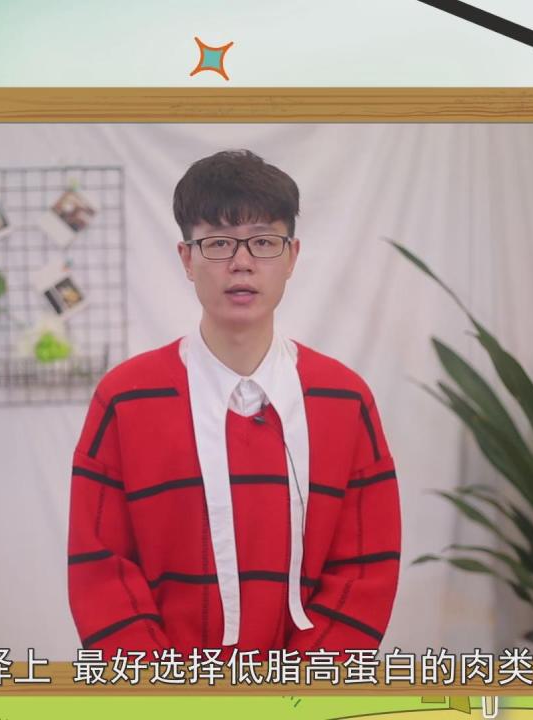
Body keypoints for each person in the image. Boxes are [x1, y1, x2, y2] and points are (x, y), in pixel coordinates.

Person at [66, 149, 401, 663]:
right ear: (186, 258)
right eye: (219, 242)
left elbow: (365, 568)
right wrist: (167, 689)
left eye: (263, 242)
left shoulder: (345, 399)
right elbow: (100, 569)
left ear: (292, 257)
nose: (242, 262)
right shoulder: (126, 398)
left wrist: (300, 689)